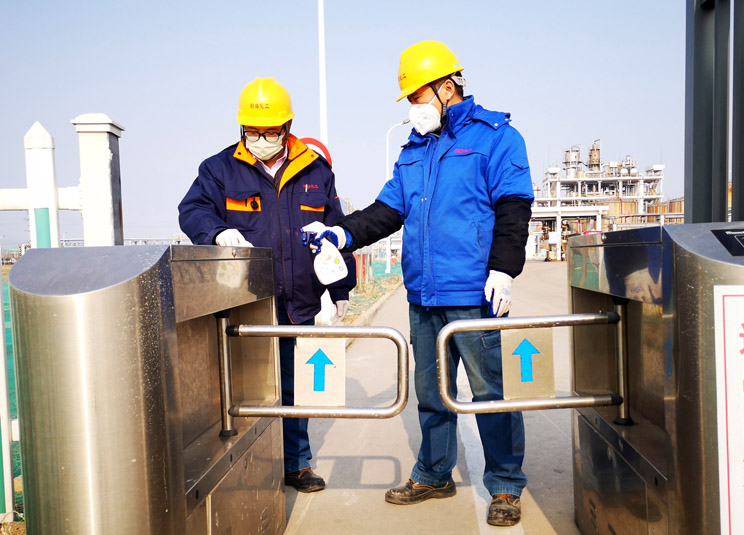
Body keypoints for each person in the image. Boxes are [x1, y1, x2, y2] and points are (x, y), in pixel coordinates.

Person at [301, 41, 533, 526]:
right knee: (431, 393)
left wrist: (503, 270)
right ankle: (434, 473)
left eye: (416, 95)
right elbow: (385, 212)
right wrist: (341, 233)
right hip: (423, 295)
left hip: (474, 293)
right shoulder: (414, 151)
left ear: (446, 87)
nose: (412, 107)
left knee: (489, 394)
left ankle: (505, 485)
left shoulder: (496, 138)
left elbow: (514, 208)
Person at [178, 77, 356, 494]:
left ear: (287, 126)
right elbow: (192, 210)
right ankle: (251, 465)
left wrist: (341, 289)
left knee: (295, 387)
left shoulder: (315, 170)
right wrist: (216, 231)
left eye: (270, 131)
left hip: (300, 301)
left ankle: (296, 463)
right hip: (245, 302)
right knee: (244, 388)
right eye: (253, 131)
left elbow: (336, 230)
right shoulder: (219, 170)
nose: (260, 139)